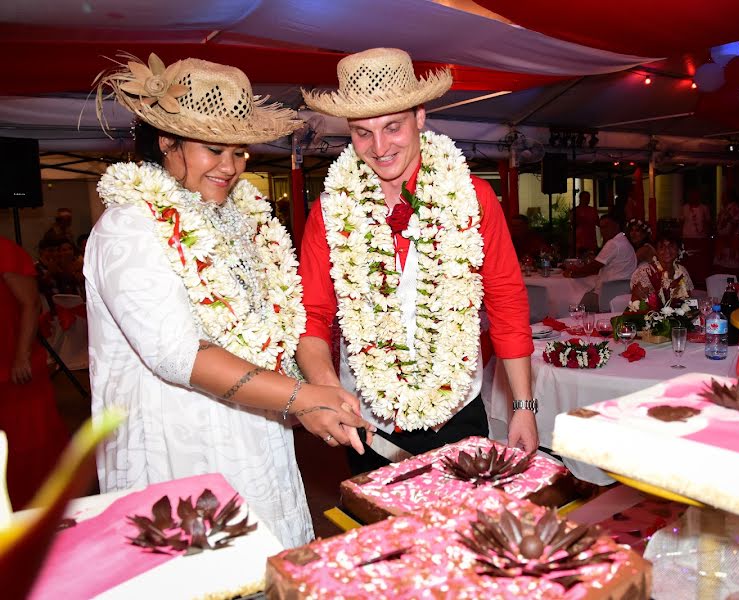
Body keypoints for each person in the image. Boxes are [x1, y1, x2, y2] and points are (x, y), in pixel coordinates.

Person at [87, 53, 371, 547]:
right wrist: (303, 398)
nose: (231, 166)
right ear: (166, 141)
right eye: (213, 149)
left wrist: (310, 394)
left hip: (257, 434)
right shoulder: (128, 227)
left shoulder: (241, 218)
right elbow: (178, 354)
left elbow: (273, 330)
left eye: (239, 151)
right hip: (180, 445)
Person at [298, 48, 538, 474]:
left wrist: (523, 405)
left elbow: (506, 300)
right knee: (390, 538)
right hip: (368, 421)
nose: (379, 146)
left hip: (458, 411)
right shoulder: (331, 209)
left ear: (420, 117)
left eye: (393, 127)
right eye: (362, 133)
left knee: (467, 534)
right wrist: (328, 392)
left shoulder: (472, 196)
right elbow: (312, 317)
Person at [0, 236, 69, 510]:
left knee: (29, 442)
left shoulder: (4, 249)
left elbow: (31, 304)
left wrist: (21, 357)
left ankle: (42, 508)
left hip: (14, 362)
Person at [564, 212, 637, 282]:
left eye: (606, 227)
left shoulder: (614, 243)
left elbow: (594, 267)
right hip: (621, 289)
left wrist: (572, 273)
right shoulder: (623, 241)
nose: (603, 231)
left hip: (609, 290)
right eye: (601, 228)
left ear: (616, 226)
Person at [630, 231, 693, 307]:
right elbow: (636, 303)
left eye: (671, 246)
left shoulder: (682, 271)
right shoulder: (645, 272)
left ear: (678, 250)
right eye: (662, 247)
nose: (667, 250)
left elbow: (688, 300)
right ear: (656, 251)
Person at [713, 196, 739, 271]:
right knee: (720, 265)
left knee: (730, 265)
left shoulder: (734, 208)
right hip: (722, 240)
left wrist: (729, 239)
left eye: (725, 196)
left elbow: (735, 224)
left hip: (729, 240)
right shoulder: (723, 208)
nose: (722, 199)